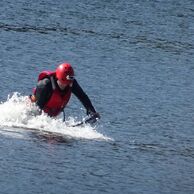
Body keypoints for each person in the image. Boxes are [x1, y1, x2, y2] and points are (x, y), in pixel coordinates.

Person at [29, 63, 100, 123]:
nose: (65, 86)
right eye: (63, 83)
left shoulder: (71, 83)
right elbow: (37, 108)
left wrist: (91, 111)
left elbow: (82, 96)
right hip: (37, 109)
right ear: (58, 78)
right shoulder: (46, 85)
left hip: (53, 113)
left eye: (67, 83)